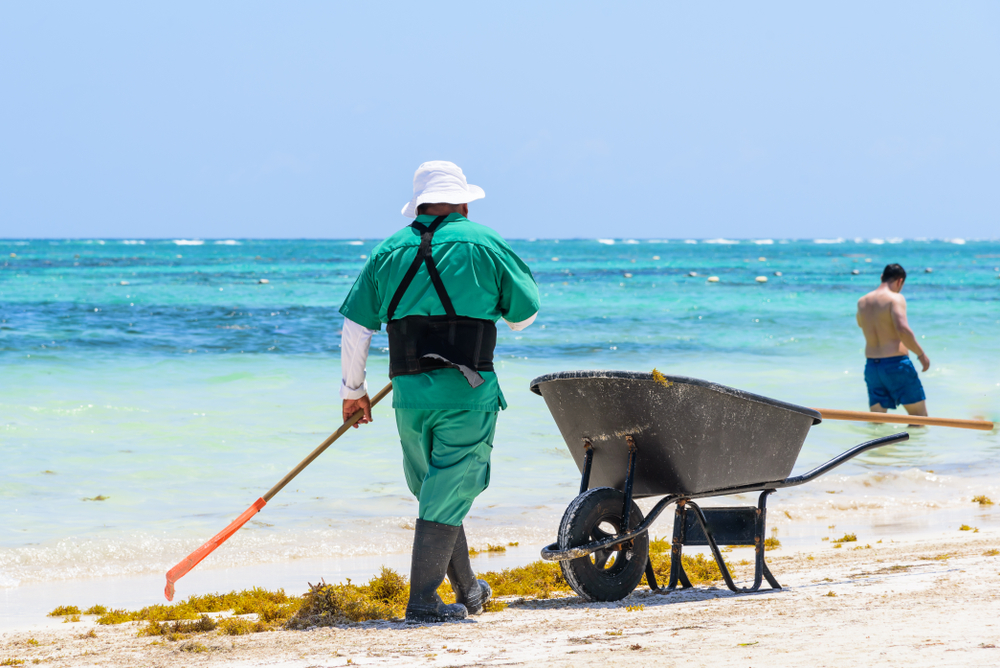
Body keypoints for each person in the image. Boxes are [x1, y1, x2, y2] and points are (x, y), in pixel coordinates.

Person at [338, 161, 540, 623]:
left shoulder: (388, 251)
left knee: (437, 491)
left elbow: (356, 327)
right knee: (448, 491)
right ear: (464, 201)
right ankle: (423, 601)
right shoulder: (484, 241)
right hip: (467, 394)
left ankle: (469, 590)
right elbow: (522, 315)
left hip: (408, 397)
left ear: (419, 204)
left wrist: (355, 391)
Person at [856, 264, 930, 417]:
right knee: (920, 419)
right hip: (896, 365)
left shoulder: (862, 301)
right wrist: (921, 355)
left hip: (872, 367)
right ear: (899, 281)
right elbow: (902, 329)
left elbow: (860, 324)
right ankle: (915, 442)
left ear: (881, 277)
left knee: (877, 421)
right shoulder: (895, 298)